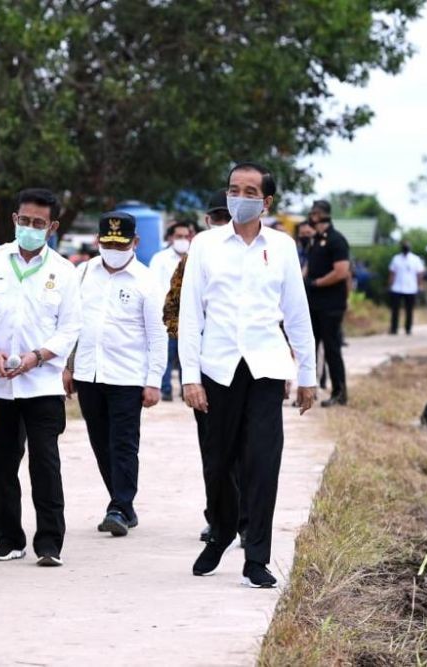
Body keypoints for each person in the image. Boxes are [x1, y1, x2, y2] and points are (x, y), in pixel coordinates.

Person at [179, 162, 316, 589]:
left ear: (266, 201)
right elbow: (189, 315)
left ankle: (256, 556)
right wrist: (189, 376)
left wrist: (307, 375)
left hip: (265, 368)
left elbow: (296, 313)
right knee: (217, 464)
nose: (239, 197)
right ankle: (221, 532)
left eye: (250, 191)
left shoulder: (282, 247)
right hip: (217, 368)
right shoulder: (205, 244)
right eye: (234, 189)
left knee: (262, 462)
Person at [0, 187, 82, 567]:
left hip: (42, 384)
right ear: (14, 220)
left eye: (39, 223)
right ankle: (8, 537)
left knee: (45, 464)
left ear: (52, 227)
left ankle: (49, 542)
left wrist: (39, 357)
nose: (30, 228)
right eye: (25, 221)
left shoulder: (64, 272)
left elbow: (69, 329)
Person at [63, 211, 167, 537]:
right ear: (97, 241)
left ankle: (119, 507)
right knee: (100, 443)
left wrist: (154, 381)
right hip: (89, 374)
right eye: (106, 242)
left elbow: (158, 335)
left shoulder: (147, 281)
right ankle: (122, 504)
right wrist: (68, 366)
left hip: (128, 376)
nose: (112, 248)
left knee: (123, 443)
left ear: (135, 242)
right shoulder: (82, 274)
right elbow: (71, 325)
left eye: (120, 243)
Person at [163, 189, 245, 544]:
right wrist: (195, 351)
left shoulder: (257, 256)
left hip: (249, 369)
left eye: (228, 218)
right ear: (208, 221)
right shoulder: (194, 258)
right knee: (214, 452)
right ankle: (218, 518)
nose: (222, 224)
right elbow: (173, 311)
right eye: (217, 218)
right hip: (209, 371)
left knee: (250, 450)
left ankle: (247, 520)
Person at [304, 199, 350, 407]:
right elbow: (309, 267)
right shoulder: (315, 240)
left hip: (331, 304)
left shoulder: (337, 240)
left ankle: (339, 393)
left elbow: (341, 271)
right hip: (313, 304)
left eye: (313, 214)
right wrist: (301, 282)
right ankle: (308, 392)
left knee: (332, 349)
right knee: (309, 348)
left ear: (320, 215)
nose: (310, 218)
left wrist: (316, 283)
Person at [149, 221, 195, 401]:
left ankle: (187, 389)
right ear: (170, 238)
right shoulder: (159, 259)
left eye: (186, 236)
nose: (183, 240)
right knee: (166, 354)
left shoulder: (195, 257)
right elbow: (153, 287)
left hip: (190, 316)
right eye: (179, 236)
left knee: (188, 354)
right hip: (166, 316)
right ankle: (165, 389)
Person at [388, 242, 425, 334]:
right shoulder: (396, 258)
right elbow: (392, 273)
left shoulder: (415, 259)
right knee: (395, 310)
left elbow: (420, 273)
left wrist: (420, 285)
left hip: (411, 288)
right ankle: (394, 329)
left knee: (409, 310)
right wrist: (390, 284)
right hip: (397, 287)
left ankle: (408, 329)